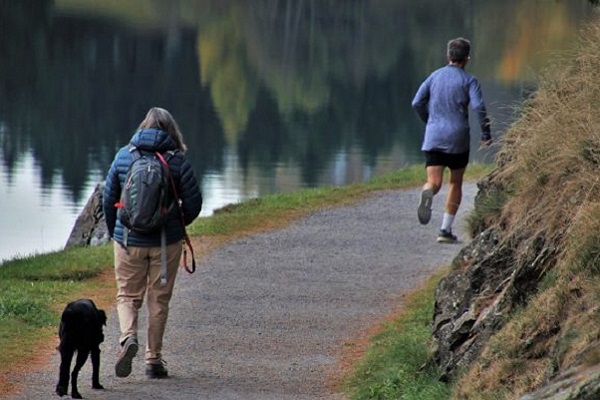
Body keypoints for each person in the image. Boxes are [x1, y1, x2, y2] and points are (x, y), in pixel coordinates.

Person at [102, 107, 202, 379]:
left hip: (127, 240)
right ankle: (153, 360)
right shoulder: (177, 161)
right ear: (171, 131)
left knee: (127, 295)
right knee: (158, 301)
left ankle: (127, 337)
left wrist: (116, 233)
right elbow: (194, 204)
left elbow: (108, 198)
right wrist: (176, 228)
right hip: (164, 243)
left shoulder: (124, 155)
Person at [411, 37, 492, 243]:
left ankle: (428, 192)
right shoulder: (469, 80)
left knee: (434, 181)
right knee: (455, 182)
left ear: (448, 56)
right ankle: (445, 231)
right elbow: (479, 107)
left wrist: (428, 120)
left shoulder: (434, 76)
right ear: (467, 58)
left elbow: (417, 102)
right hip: (458, 138)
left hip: (434, 135)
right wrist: (485, 133)